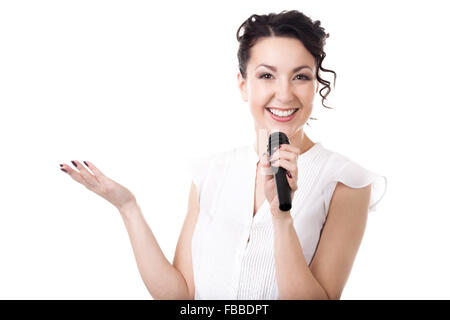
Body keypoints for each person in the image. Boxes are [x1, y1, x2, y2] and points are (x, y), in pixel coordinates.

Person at [59, 10, 387, 300]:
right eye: (266, 75)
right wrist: (127, 207)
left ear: (315, 85)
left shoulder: (346, 181)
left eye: (300, 76)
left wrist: (281, 218)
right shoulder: (211, 173)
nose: (284, 93)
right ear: (243, 85)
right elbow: (180, 293)